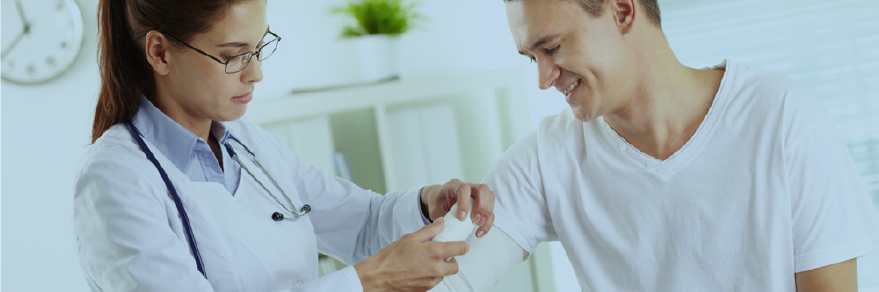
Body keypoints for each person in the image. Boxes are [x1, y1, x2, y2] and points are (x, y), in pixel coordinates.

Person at [431, 0, 879, 291]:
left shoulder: (784, 118)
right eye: (532, 59)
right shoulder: (546, 161)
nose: (544, 78)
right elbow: (447, 280)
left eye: (552, 48)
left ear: (623, 11)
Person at [72, 0, 498, 291]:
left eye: (259, 48)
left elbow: (362, 222)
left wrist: (427, 203)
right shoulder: (116, 179)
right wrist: (368, 282)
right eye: (233, 54)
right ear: (160, 52)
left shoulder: (247, 142)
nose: (255, 73)